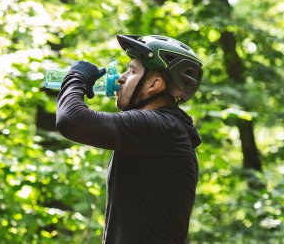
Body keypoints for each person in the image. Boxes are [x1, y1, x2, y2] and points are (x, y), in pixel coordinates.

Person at [56, 34, 203, 244]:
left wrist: (76, 77)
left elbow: (71, 120)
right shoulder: (162, 130)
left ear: (154, 84)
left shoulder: (159, 127)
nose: (121, 78)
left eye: (132, 71)